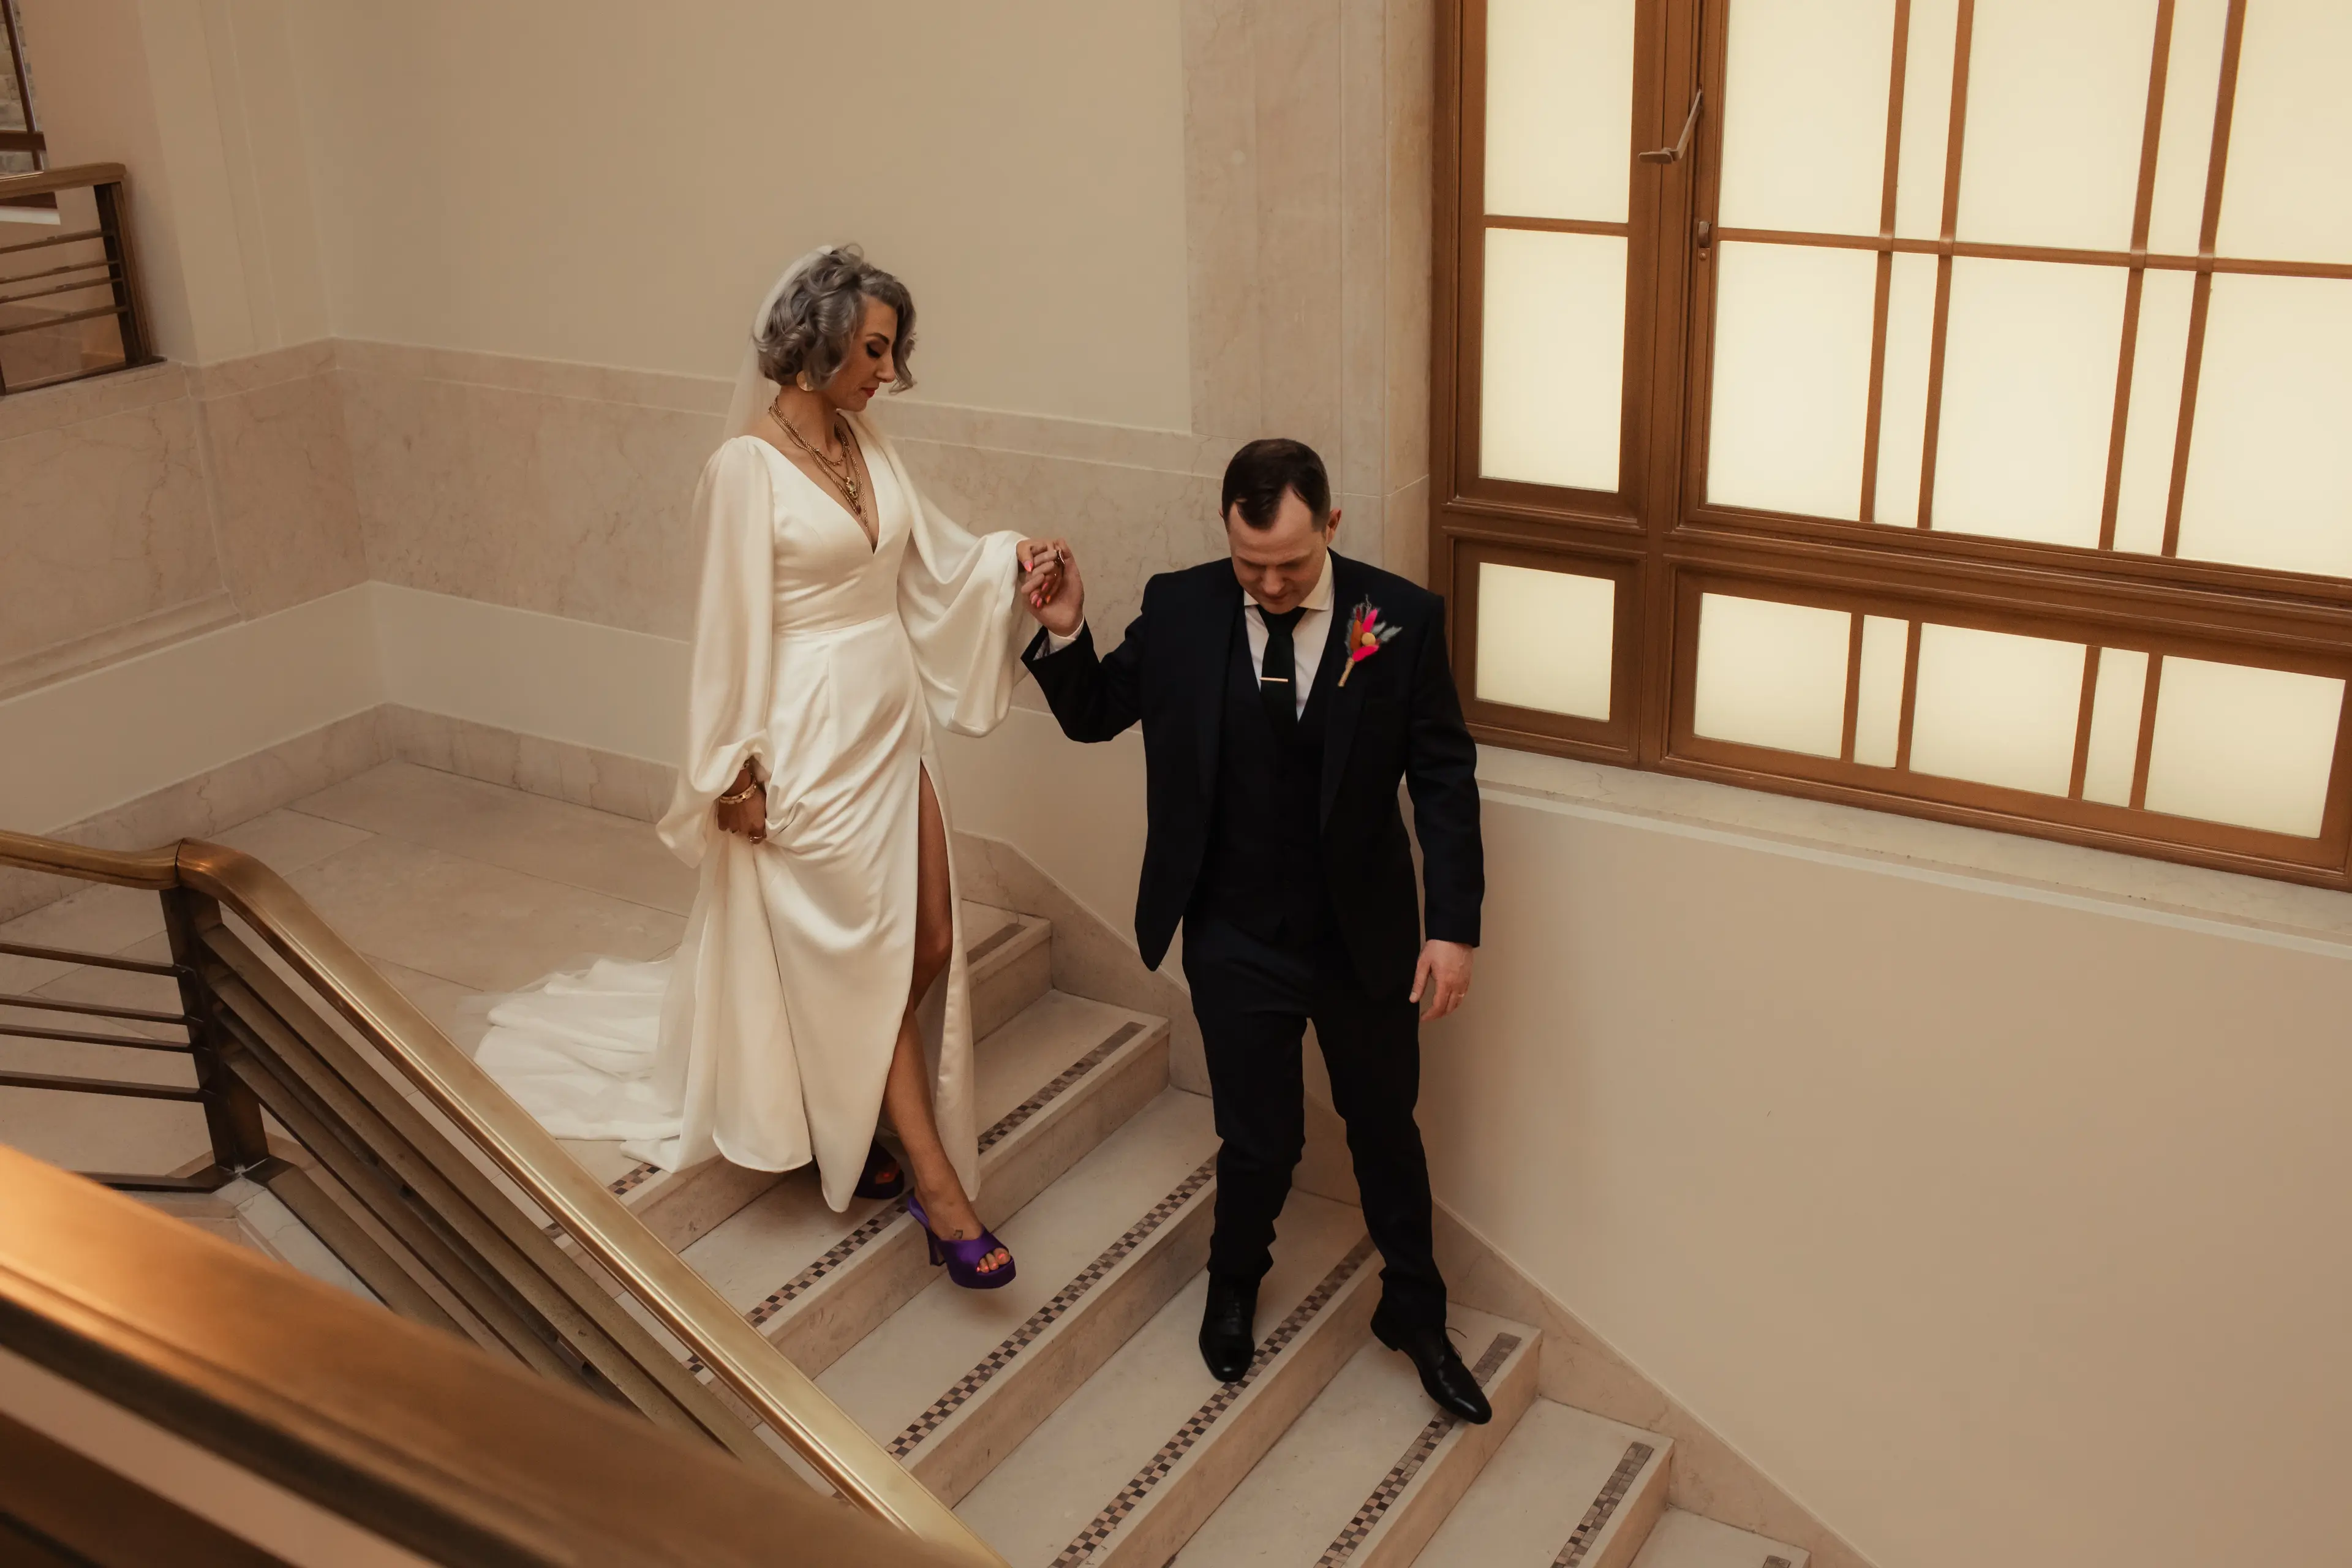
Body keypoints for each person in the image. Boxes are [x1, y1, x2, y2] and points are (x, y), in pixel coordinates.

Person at [474, 247, 1065, 1289]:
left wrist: (1011, 559)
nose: (889, 372)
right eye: (873, 350)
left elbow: (929, 560)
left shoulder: (865, 442)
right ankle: (937, 1189)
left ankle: (848, 1101)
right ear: (820, 341)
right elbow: (724, 629)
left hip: (891, 728)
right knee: (866, 959)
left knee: (929, 935)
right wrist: (732, 771)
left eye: (893, 351)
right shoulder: (744, 469)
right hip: (806, 745)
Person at [1019, 439, 1490, 1421]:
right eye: (1250, 565)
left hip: (1362, 936)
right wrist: (1066, 632)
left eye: (1292, 564)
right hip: (1235, 931)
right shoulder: (1182, 608)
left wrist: (1452, 927)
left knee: (1384, 1129)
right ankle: (1234, 1280)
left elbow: (1445, 779)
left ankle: (1414, 1310)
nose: (1271, 586)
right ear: (1227, 536)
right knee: (1260, 1138)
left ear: (1332, 526)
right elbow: (1098, 713)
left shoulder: (1399, 619)